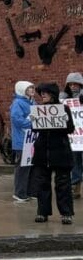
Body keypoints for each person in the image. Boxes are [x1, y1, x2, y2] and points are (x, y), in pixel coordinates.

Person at [30, 82, 74, 224]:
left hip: (60, 152)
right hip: (43, 153)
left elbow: (70, 129)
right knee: (42, 184)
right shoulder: (38, 109)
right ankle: (42, 212)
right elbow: (35, 130)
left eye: (45, 92)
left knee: (63, 184)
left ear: (53, 95)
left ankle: (66, 213)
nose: (42, 95)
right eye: (41, 92)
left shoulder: (64, 109)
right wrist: (35, 121)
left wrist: (63, 122)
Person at [10, 81, 35, 203]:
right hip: (21, 140)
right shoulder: (18, 103)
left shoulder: (32, 102)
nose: (31, 90)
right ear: (22, 90)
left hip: (31, 140)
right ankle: (19, 192)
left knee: (31, 166)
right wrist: (34, 122)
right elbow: (17, 120)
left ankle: (29, 191)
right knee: (22, 167)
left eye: (32, 87)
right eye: (28, 88)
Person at [61, 72, 83, 200]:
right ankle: (75, 186)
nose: (73, 86)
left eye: (76, 84)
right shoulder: (65, 98)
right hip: (74, 138)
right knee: (75, 162)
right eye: (70, 84)